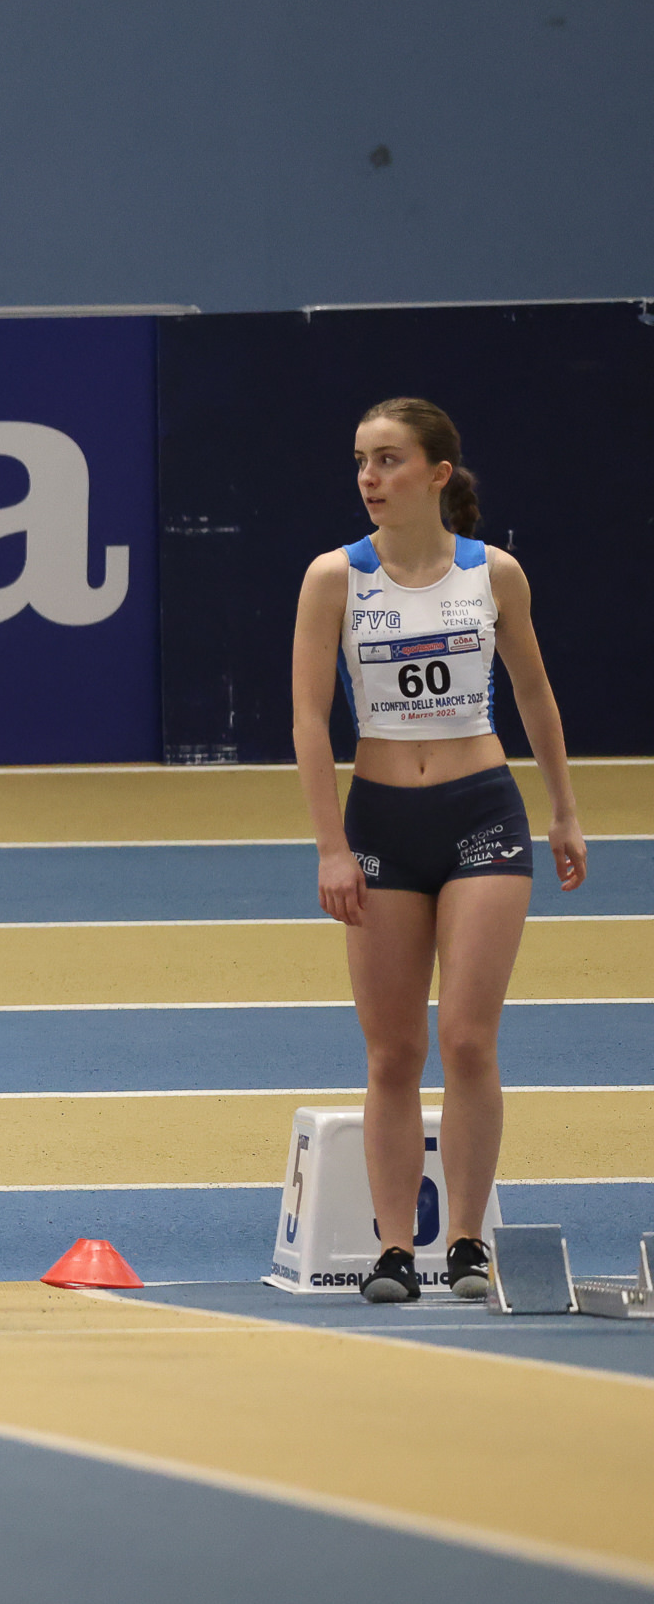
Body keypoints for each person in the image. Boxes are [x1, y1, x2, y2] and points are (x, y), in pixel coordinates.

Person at [290, 398, 583, 1304]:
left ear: (438, 474)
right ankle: (392, 1249)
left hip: (481, 812)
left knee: (466, 1039)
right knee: (392, 1051)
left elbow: (533, 693)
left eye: (388, 460)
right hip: (381, 821)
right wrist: (331, 846)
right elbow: (308, 719)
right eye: (360, 461)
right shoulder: (334, 578)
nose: (369, 478)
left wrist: (564, 812)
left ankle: (463, 1241)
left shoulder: (493, 574)